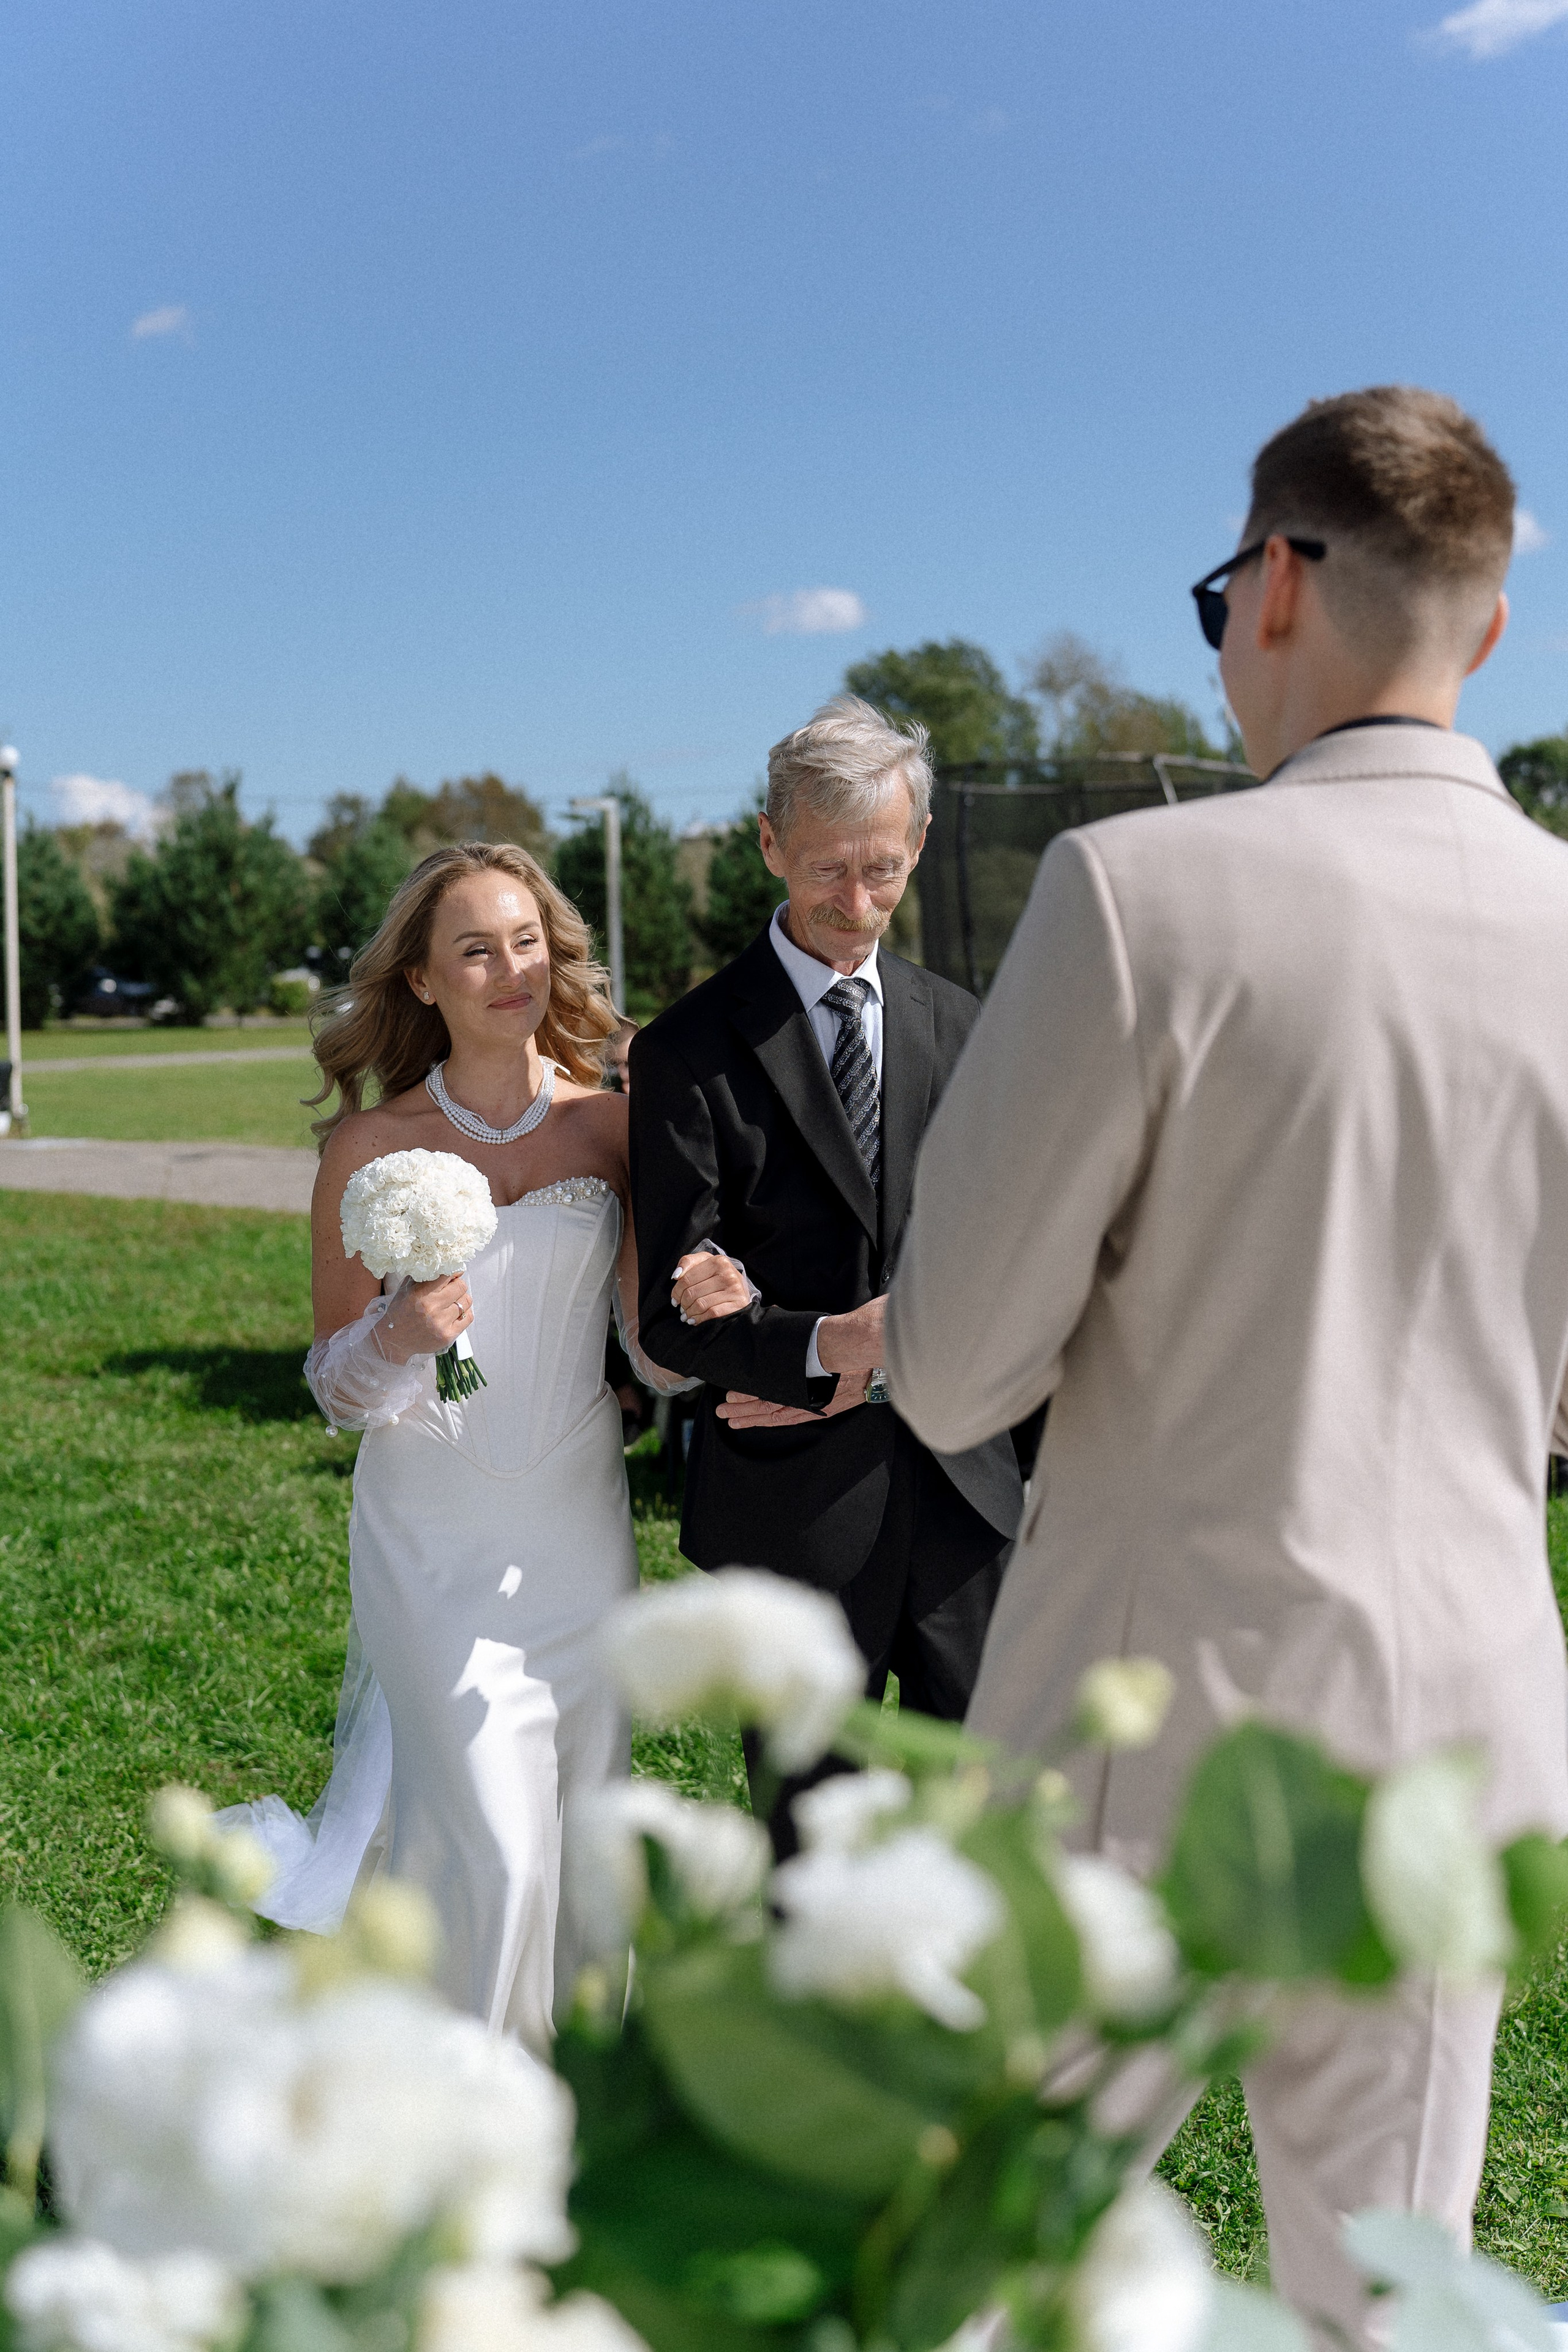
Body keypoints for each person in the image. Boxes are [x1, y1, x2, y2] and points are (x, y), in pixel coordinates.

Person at [884, 388, 1568, 2346]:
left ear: (1271, 581)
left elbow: (953, 1368)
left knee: (991, 2266)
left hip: (1144, 1718)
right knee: (1389, 2305)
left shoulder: (1140, 892)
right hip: (1459, 1734)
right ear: (1494, 627)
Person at [219, 843, 747, 2049]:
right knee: (494, 1841)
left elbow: (650, 1357)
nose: (509, 968)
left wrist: (703, 1309)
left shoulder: (610, 1127)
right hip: (427, 1536)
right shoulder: (366, 1149)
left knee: (572, 1831)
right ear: (420, 980)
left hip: (573, 1528)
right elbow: (333, 1390)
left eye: (524, 940)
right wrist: (398, 1333)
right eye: (474, 947)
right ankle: (459, 2103)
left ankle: (561, 2127)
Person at [629, 697, 1024, 1847]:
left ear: (922, 843)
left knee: (990, 1834)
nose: (857, 903)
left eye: (884, 870)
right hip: (795, 1516)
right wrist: (821, 1349)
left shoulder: (969, 1028)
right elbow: (672, 1314)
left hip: (971, 1500)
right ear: (767, 844)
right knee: (808, 1847)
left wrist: (860, 1351)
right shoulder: (689, 1051)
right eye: (825, 869)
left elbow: (1015, 1258)